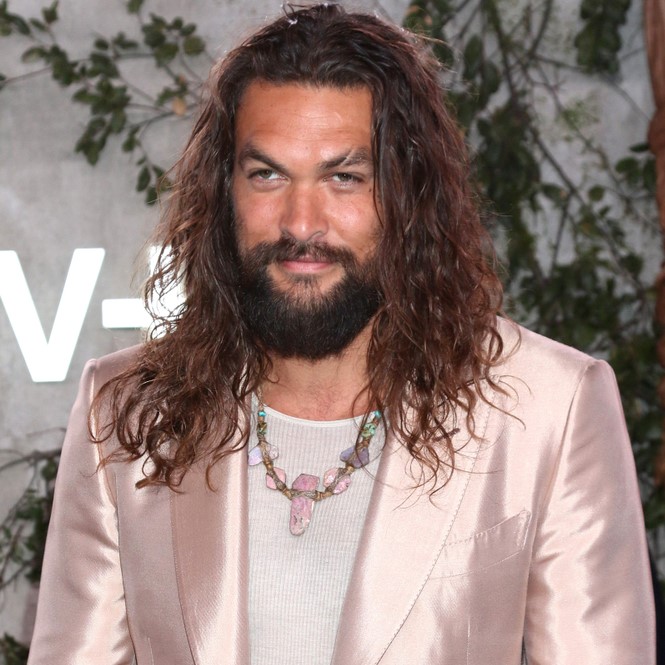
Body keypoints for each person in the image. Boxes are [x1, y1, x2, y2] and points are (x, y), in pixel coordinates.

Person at [28, 4, 655, 664]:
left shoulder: (550, 407)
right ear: (223, 191)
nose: (301, 222)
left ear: (407, 192)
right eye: (267, 174)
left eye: (344, 177)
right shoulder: (126, 412)